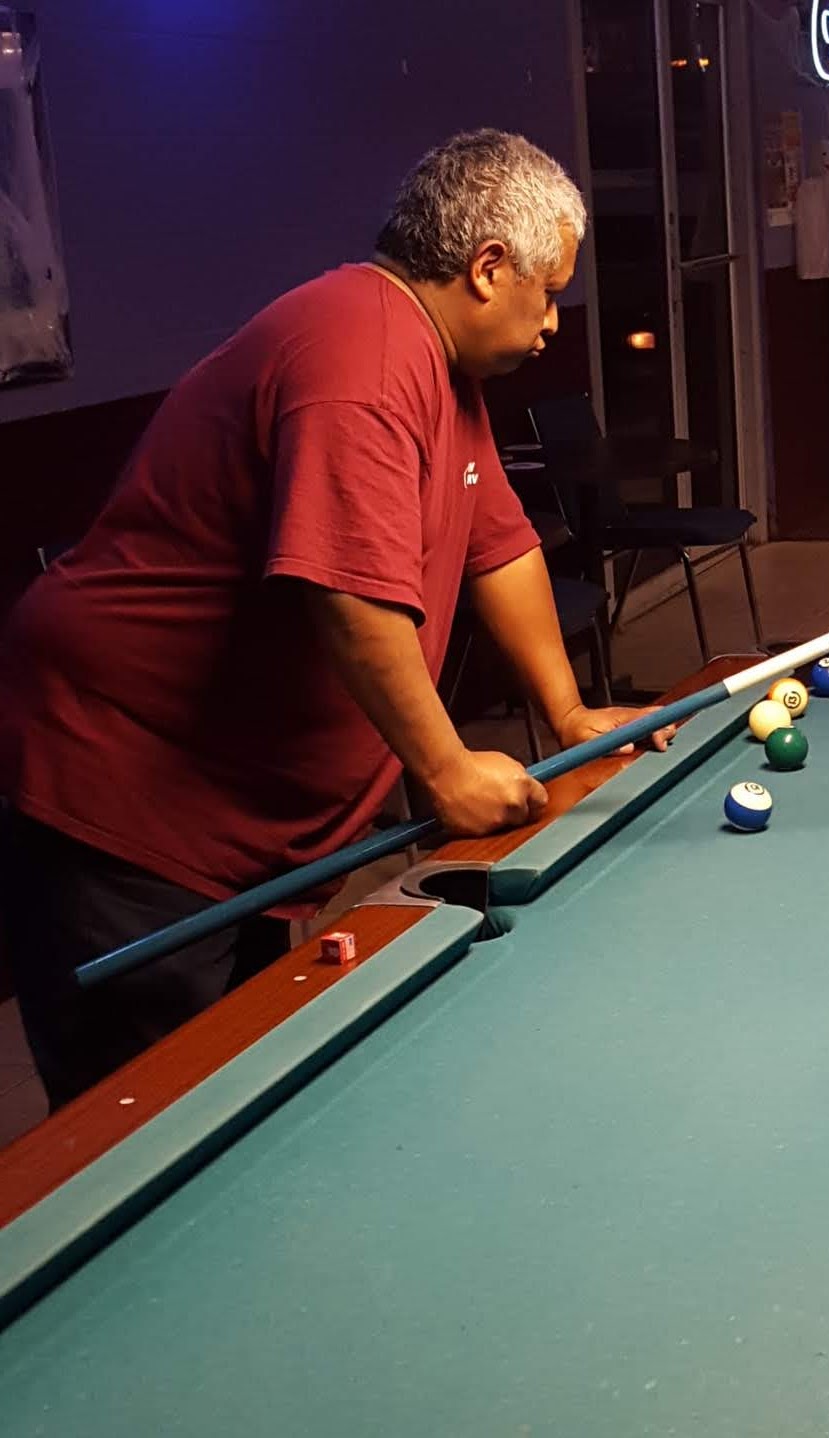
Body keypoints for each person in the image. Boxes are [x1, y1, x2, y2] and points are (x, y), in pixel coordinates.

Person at [0, 130, 675, 1108]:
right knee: (150, 1119)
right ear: (490, 268)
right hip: (129, 805)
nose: (553, 322)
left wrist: (568, 714)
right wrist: (445, 769)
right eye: (549, 291)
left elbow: (500, 546)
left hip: (251, 826)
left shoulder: (445, 375)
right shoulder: (363, 354)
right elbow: (348, 595)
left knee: (247, 1090)